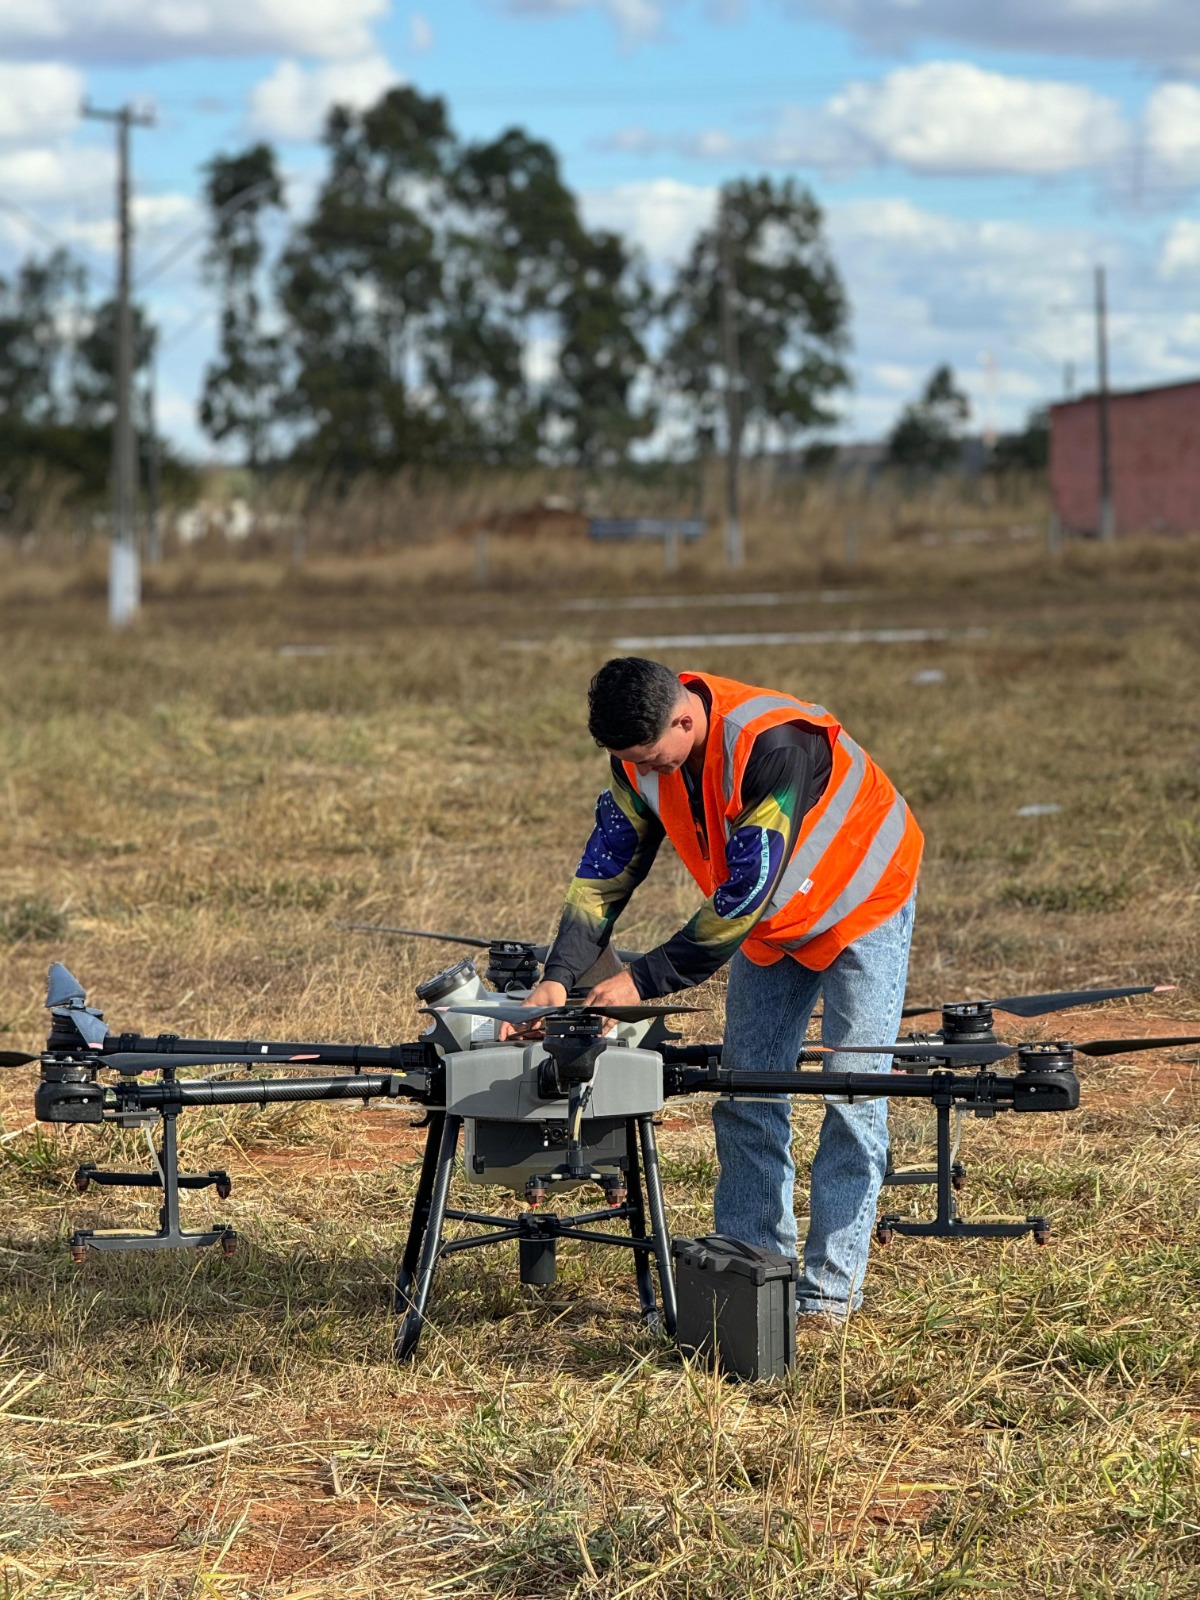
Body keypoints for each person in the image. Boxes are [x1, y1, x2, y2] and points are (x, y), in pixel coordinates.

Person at [518, 657, 923, 1323]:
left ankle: (827, 1297)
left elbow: (741, 897)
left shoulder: (773, 744)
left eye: (653, 758)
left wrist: (640, 980)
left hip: (863, 902)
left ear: (684, 717)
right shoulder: (638, 759)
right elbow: (605, 871)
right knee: (746, 1092)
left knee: (854, 1091)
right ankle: (752, 1280)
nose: (645, 773)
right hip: (772, 923)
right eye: (631, 762)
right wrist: (558, 979)